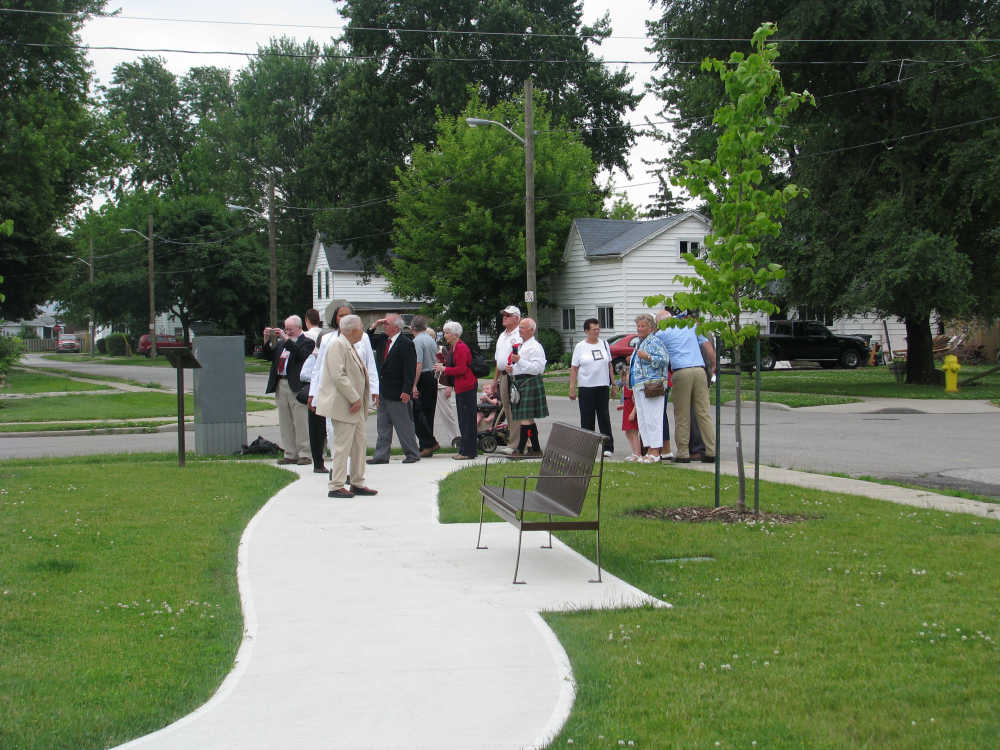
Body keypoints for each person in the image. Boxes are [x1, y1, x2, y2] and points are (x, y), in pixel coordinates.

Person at [308, 301, 380, 473]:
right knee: (334, 432)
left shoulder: (363, 338)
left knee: (357, 435)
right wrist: (313, 393)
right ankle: (340, 469)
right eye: (341, 315)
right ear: (335, 318)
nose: (344, 318)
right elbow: (319, 369)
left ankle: (354, 472)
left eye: (347, 315)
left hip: (357, 393)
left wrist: (374, 389)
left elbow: (370, 365)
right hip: (336, 394)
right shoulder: (328, 340)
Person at [655, 309, 716, 463]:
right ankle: (711, 451)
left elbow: (658, 356)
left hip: (681, 372)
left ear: (660, 323)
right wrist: (714, 365)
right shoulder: (690, 326)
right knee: (703, 413)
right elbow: (707, 346)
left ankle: (683, 453)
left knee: (682, 414)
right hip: (699, 370)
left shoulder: (661, 334)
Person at [260, 315, 315, 465]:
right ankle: (290, 453)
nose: (288, 332)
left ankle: (304, 453)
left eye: (290, 329)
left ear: (299, 328)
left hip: (296, 386)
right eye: (286, 329)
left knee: (300, 421)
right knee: (285, 422)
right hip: (281, 384)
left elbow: (301, 355)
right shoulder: (281, 344)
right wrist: (266, 340)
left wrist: (286, 340)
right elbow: (268, 356)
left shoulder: (307, 342)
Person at [367, 313, 421, 464]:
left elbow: (409, 369)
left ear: (396, 327)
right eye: (383, 323)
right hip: (384, 391)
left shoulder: (405, 343)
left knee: (403, 425)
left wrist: (406, 390)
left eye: (387, 324)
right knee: (382, 426)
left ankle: (412, 453)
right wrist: (374, 325)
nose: (384, 326)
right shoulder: (383, 340)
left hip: (398, 392)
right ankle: (381, 455)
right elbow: (367, 340)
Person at [568, 317, 616, 456]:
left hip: (602, 386)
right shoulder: (580, 346)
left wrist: (613, 384)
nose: (596, 332)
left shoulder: (604, 344)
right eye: (593, 329)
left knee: (604, 417)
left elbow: (609, 365)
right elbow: (574, 368)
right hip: (586, 387)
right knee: (587, 418)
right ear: (586, 331)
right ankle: (587, 447)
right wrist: (572, 387)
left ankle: (608, 447)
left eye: (598, 329)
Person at [434, 321, 477, 460]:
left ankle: (468, 451)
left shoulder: (461, 348)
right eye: (445, 332)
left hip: (466, 386)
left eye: (447, 332)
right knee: (463, 419)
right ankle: (465, 450)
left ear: (455, 334)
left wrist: (444, 369)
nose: (445, 335)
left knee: (467, 420)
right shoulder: (453, 347)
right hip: (460, 386)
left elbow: (462, 369)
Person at [628, 313, 669, 464]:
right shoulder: (640, 343)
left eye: (643, 326)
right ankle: (649, 450)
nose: (639, 328)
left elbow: (664, 360)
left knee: (653, 418)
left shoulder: (655, 341)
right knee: (644, 419)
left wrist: (648, 357)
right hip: (639, 386)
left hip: (652, 385)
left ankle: (655, 451)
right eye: (638, 326)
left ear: (651, 327)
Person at [507, 317, 548, 457]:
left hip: (530, 382)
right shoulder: (521, 345)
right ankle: (535, 449)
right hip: (521, 382)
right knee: (528, 419)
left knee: (525, 418)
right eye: (519, 327)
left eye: (522, 328)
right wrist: (512, 369)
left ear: (531, 330)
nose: (519, 330)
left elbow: (538, 369)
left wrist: (519, 361)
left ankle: (520, 449)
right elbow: (521, 367)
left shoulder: (535, 347)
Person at [299, 308, 327, 473]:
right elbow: (306, 374)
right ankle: (318, 462)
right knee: (317, 428)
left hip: (325, 394)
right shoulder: (315, 356)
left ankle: (323, 459)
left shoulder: (313, 348)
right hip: (316, 394)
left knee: (324, 429)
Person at [410, 315, 440, 457]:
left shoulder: (416, 341)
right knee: (428, 413)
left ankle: (428, 443)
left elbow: (418, 363)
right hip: (432, 376)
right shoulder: (430, 339)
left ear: (412, 328)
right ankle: (426, 446)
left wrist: (414, 384)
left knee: (417, 413)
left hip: (422, 377)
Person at [492, 305, 522, 435]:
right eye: (503, 315)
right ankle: (516, 440)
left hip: (516, 376)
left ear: (516, 318)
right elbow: (498, 361)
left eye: (508, 315)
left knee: (517, 408)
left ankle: (520, 442)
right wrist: (495, 381)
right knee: (508, 409)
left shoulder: (520, 334)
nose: (504, 317)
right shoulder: (502, 336)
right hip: (504, 376)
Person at [617, 376, 643, 461]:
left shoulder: (634, 388)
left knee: (633, 432)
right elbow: (627, 400)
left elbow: (637, 402)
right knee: (628, 433)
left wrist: (633, 413)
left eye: (627, 376)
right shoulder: (625, 387)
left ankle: (638, 454)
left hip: (632, 411)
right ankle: (634, 452)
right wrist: (622, 406)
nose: (625, 379)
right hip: (627, 411)